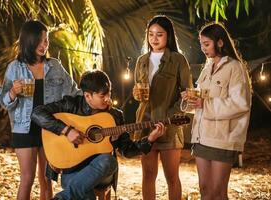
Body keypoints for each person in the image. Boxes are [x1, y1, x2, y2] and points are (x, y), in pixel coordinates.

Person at [32, 70, 167, 200]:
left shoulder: (115, 115)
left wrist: (150, 139)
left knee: (109, 161)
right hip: (72, 168)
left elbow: (127, 151)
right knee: (86, 195)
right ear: (87, 96)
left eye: (109, 94)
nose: (108, 99)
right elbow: (37, 113)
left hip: (102, 170)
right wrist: (66, 130)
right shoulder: (71, 104)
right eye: (102, 96)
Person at [0, 20, 81, 200]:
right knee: (27, 179)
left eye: (47, 40)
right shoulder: (15, 67)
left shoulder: (55, 66)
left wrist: (95, 94)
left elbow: (74, 92)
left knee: (47, 179)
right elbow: (3, 101)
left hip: (50, 128)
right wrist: (13, 92)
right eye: (41, 40)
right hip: (24, 128)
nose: (45, 45)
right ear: (29, 40)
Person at [183, 22, 252, 200]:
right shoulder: (207, 68)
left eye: (207, 44)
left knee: (218, 193)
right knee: (205, 190)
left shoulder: (235, 68)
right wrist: (190, 101)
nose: (203, 48)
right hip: (201, 137)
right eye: (201, 44)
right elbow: (201, 101)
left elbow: (240, 103)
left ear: (220, 42)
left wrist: (204, 104)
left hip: (222, 139)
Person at [132, 15, 193, 200]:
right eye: (151, 34)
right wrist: (136, 94)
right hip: (144, 125)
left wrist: (169, 116)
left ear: (169, 36)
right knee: (148, 176)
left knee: (172, 177)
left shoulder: (178, 60)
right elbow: (138, 92)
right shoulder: (141, 60)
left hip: (169, 127)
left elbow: (187, 95)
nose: (154, 38)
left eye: (159, 34)